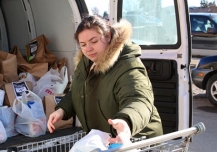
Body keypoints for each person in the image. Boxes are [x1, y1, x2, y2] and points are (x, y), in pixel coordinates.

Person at [47, 14, 163, 143]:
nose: (88, 49)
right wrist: (62, 110)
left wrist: (126, 122)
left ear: (107, 36)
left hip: (137, 140)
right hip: (107, 139)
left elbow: (138, 99)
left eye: (94, 41)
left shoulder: (127, 65)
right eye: (83, 44)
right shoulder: (85, 63)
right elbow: (77, 92)